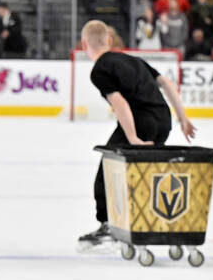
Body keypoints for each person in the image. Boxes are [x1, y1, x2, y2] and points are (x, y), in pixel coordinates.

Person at [76, 20, 196, 248]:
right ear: (109, 41)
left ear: (84, 45)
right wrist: (182, 118)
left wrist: (132, 138)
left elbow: (120, 104)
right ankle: (147, 219)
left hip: (141, 121)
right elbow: (166, 83)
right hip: (164, 121)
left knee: (108, 170)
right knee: (141, 171)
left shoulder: (100, 69)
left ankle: (108, 226)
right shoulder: (133, 59)